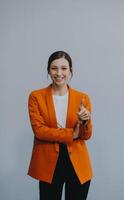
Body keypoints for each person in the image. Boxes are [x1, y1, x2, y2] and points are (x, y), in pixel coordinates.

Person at [27, 51, 93, 200]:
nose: (59, 73)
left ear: (70, 70)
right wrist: (72, 134)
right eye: (54, 68)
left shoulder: (82, 98)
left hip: (77, 163)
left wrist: (85, 122)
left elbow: (86, 135)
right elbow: (40, 131)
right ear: (48, 71)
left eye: (64, 68)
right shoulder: (36, 97)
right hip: (48, 163)